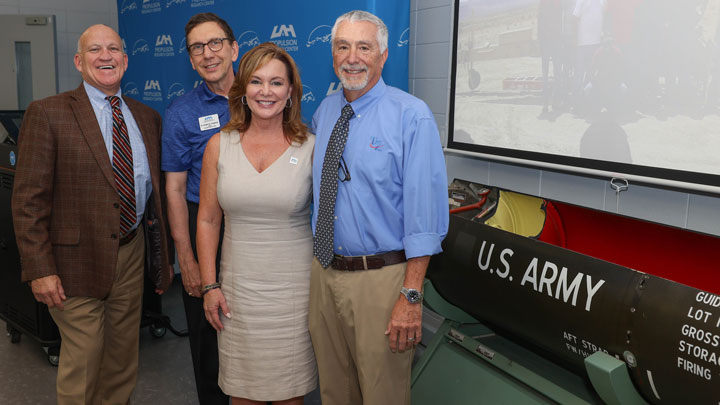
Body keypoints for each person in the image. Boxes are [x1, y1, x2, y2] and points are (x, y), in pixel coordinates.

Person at [11, 24, 173, 404]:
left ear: (126, 59)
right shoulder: (47, 113)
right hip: (71, 263)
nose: (106, 56)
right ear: (79, 62)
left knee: (121, 358)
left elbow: (153, 200)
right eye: (95, 50)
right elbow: (28, 200)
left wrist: (160, 262)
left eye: (113, 49)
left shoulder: (147, 117)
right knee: (84, 357)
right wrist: (39, 268)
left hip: (130, 255)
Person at [308, 10, 449, 405]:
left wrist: (411, 295)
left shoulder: (411, 116)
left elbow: (425, 217)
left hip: (381, 280)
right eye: (342, 46)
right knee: (334, 391)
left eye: (364, 47)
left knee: (381, 394)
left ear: (383, 55)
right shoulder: (325, 111)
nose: (352, 57)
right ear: (333, 54)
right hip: (324, 274)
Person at [197, 42, 316, 405]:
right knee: (242, 394)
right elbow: (206, 219)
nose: (266, 92)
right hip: (236, 293)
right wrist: (208, 285)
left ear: (291, 91)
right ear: (243, 89)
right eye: (257, 82)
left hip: (294, 295)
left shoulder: (312, 146)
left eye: (277, 83)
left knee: (288, 395)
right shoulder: (219, 145)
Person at [161, 12, 237, 404]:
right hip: (202, 225)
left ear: (233, 48)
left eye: (215, 43)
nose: (208, 54)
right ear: (190, 60)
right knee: (210, 337)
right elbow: (173, 189)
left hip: (255, 227)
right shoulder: (181, 113)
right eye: (197, 48)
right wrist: (185, 257)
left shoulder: (265, 96)